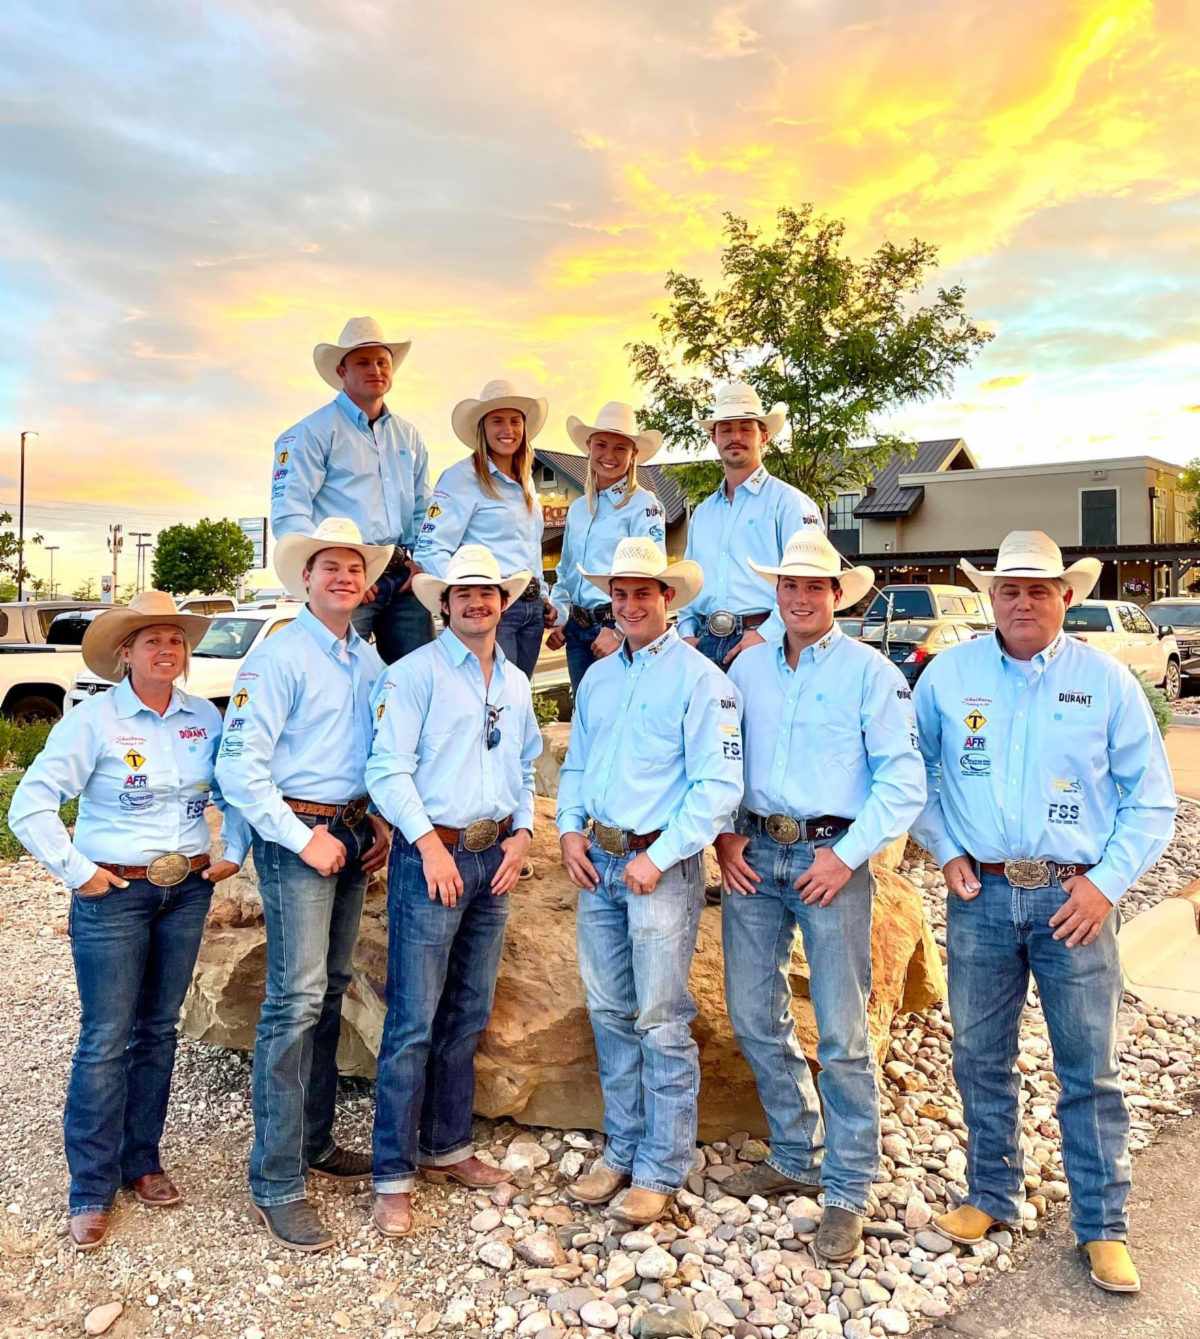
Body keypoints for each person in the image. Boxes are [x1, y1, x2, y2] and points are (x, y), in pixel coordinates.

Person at [912, 531, 1176, 1294]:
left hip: (1075, 900)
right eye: (1009, 589)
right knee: (979, 1055)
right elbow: (911, 771)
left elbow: (1152, 800)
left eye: (1038, 589)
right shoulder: (948, 675)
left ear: (1066, 596)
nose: (1022, 601)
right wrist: (946, 850)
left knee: (1089, 1067)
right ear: (990, 597)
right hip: (981, 894)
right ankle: (992, 1193)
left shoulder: (1107, 681)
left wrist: (1106, 885)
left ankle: (1102, 1225)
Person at [9, 592, 248, 1251]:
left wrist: (234, 847)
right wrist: (77, 870)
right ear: (125, 652)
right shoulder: (95, 721)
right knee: (106, 1037)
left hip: (186, 891)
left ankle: (141, 1159)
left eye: (175, 639)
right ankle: (90, 1185)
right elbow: (29, 805)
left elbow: (233, 789)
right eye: (151, 640)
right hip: (113, 893)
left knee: (157, 1031)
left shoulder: (205, 717)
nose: (166, 650)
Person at [712, 531, 926, 1261]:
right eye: (789, 585)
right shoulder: (747, 668)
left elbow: (903, 780)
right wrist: (724, 835)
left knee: (841, 1030)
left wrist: (845, 856)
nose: (800, 597)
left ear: (838, 594)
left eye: (814, 586)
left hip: (830, 856)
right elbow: (721, 756)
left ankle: (848, 1187)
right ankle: (797, 1150)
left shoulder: (871, 673)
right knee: (752, 1011)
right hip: (753, 850)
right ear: (775, 592)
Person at [215, 517, 394, 1252]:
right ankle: (276, 1181)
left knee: (327, 991)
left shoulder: (367, 659)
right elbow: (238, 767)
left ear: (366, 583)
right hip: (298, 836)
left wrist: (373, 815)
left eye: (354, 568)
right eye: (330, 567)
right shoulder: (278, 657)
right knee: (293, 1000)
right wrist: (300, 838)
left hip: (348, 830)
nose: (344, 577)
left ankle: (314, 1141)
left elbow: (369, 748)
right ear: (306, 578)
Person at [556, 537, 744, 1225]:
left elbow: (717, 786)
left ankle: (661, 1166)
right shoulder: (600, 678)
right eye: (620, 593)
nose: (630, 604)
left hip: (656, 868)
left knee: (660, 1018)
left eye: (643, 592)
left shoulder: (703, 682)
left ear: (669, 597)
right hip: (598, 860)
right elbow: (578, 762)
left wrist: (658, 857)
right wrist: (568, 830)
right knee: (609, 1011)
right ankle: (623, 1147)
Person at [366, 545, 542, 1238]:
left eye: (487, 592)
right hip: (431, 856)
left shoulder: (517, 682)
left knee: (468, 1012)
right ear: (444, 604)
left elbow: (525, 764)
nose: (476, 602)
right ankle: (392, 1174)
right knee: (412, 1021)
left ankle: (446, 1145)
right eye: (463, 593)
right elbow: (386, 770)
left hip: (493, 857)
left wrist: (523, 834)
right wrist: (428, 846)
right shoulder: (413, 675)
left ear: (503, 603)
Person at [270, 316, 434, 663]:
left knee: (419, 681)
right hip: (346, 580)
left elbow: (425, 511)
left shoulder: (409, 436)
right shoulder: (310, 433)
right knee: (335, 679)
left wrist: (422, 564)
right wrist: (336, 573)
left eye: (382, 362)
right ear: (341, 371)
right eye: (362, 362)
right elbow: (291, 513)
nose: (375, 369)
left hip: (404, 578)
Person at [676, 382, 824, 667]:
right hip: (702, 645)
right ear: (713, 437)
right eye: (726, 429)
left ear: (763, 437)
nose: (735, 437)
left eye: (746, 428)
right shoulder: (702, 513)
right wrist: (686, 633)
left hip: (766, 642)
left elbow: (809, 582)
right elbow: (689, 583)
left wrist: (766, 635)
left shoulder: (789, 504)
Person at [414, 379, 555, 677]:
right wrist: (468, 596)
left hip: (530, 609)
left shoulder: (525, 480)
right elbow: (430, 547)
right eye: (497, 421)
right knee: (487, 695)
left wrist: (543, 595)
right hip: (493, 610)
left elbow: (528, 547)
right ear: (483, 427)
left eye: (515, 420)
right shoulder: (461, 478)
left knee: (516, 696)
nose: (508, 429)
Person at [546, 402, 667, 692]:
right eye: (601, 445)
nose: (609, 456)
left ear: (633, 454)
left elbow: (653, 574)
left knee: (621, 710)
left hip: (618, 628)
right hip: (577, 632)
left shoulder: (643, 505)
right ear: (589, 447)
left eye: (620, 448)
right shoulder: (578, 509)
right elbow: (567, 570)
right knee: (585, 711)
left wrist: (618, 631)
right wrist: (560, 616)